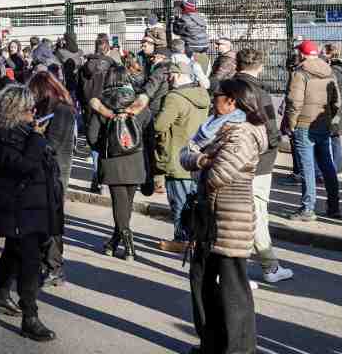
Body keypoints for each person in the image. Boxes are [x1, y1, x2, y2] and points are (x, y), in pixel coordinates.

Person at [181, 79, 269, 354]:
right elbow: (185, 155)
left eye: (215, 95)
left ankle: (239, 349)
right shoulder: (217, 128)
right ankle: (211, 343)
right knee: (201, 280)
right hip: (210, 217)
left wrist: (202, 160)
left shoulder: (244, 132)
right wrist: (205, 159)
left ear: (231, 100)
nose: (211, 99)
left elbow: (220, 174)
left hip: (231, 217)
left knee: (233, 288)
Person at [0, 84, 60, 343]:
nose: (33, 113)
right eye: (29, 109)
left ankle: (1, 297)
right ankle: (30, 317)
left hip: (30, 204)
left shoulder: (20, 132)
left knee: (14, 252)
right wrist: (37, 138)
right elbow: (25, 165)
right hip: (18, 207)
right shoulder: (2, 137)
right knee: (29, 260)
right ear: (15, 111)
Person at [230, 49, 293, 284]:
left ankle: (232, 271)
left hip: (231, 159)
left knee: (232, 215)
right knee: (256, 214)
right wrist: (274, 145)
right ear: (261, 66)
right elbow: (270, 129)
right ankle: (268, 266)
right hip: (258, 161)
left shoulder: (224, 87)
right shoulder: (259, 92)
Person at [87, 63, 149, 260]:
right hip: (136, 158)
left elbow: (92, 136)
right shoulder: (138, 103)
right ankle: (115, 242)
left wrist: (105, 148)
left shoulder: (101, 103)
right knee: (126, 205)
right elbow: (149, 131)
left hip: (112, 161)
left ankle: (128, 246)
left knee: (120, 204)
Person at [153, 60, 210, 253]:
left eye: (170, 75)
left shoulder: (174, 98)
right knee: (195, 202)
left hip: (177, 158)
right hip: (198, 158)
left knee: (179, 203)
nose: (168, 78)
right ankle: (196, 238)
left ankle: (182, 239)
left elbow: (159, 125)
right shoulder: (203, 95)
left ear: (177, 75)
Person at [284, 40, 341, 222]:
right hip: (322, 124)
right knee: (328, 165)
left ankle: (308, 209)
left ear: (302, 54)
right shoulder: (329, 70)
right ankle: (334, 207)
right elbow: (336, 101)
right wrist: (329, 119)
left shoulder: (300, 73)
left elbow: (294, 102)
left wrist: (291, 124)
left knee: (307, 167)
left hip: (304, 125)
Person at [27, 70, 75, 286]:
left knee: (52, 223)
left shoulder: (62, 111)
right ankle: (45, 263)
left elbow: (53, 145)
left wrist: (35, 134)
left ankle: (54, 267)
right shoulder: (48, 110)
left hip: (55, 172)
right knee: (43, 221)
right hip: (44, 171)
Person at [79, 37, 115, 193]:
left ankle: (97, 179)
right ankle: (106, 178)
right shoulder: (112, 66)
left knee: (94, 144)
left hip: (89, 109)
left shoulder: (84, 67)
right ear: (107, 49)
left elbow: (79, 90)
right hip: (107, 108)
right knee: (108, 142)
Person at [322, 43, 342, 176]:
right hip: (340, 109)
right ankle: (338, 168)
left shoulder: (331, 71)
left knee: (331, 138)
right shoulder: (340, 69)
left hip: (334, 110)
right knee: (334, 137)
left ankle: (335, 168)